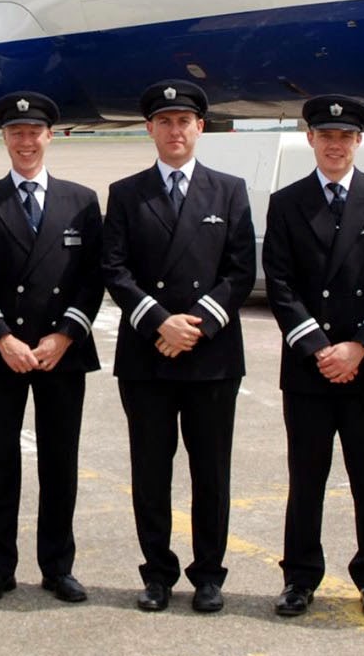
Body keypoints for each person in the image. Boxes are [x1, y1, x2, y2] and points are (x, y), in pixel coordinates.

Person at [100, 80, 255, 614]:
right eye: (164, 122)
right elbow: (114, 269)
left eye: (183, 121)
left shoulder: (229, 190)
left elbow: (240, 270)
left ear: (199, 127)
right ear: (149, 129)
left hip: (212, 356)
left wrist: (197, 325)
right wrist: (160, 323)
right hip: (148, 356)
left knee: (211, 471)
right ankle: (158, 573)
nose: (174, 131)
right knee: (151, 472)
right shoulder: (127, 192)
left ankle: (209, 574)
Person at [262, 95, 364, 619]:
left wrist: (359, 347)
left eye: (345, 136)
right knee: (306, 479)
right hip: (310, 367)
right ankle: (299, 578)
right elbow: (280, 285)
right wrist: (319, 349)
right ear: (310, 139)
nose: (335, 145)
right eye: (325, 136)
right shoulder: (287, 202)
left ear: (358, 141)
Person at [0, 91, 104, 605]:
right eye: (16, 133)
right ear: (4, 138)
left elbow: (93, 278)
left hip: (62, 351)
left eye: (34, 132)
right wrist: (2, 337)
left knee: (59, 462)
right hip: (4, 351)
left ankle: (58, 567)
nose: (26, 141)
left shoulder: (81, 201)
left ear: (50, 136)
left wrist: (65, 335)